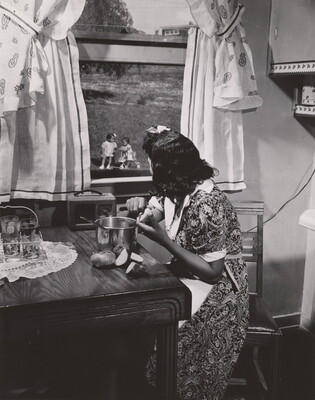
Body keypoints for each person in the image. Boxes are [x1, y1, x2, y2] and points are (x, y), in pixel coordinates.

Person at [126, 126, 249, 400]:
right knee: (143, 322)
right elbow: (160, 204)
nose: (150, 169)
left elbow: (214, 273)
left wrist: (164, 241)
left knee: (168, 350)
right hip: (190, 279)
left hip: (220, 297)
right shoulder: (179, 185)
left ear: (168, 169)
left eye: (153, 164)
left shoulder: (207, 204)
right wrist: (142, 210)